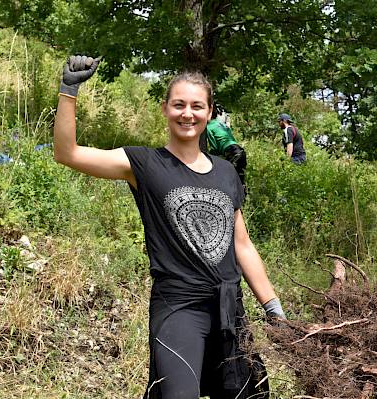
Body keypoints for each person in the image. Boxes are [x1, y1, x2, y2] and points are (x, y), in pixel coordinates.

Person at [53, 55, 285, 399]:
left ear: (209, 113)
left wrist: (273, 307)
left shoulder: (226, 172)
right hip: (178, 308)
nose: (187, 113)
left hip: (229, 311)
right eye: (179, 105)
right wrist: (68, 90)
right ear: (165, 109)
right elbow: (67, 153)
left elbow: (242, 245)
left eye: (197, 106)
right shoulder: (144, 163)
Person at [201, 110, 247, 191]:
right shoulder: (222, 124)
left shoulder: (208, 127)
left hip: (231, 152)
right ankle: (243, 196)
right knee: (240, 180)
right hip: (240, 150)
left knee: (226, 178)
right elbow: (231, 138)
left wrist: (207, 157)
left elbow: (214, 147)